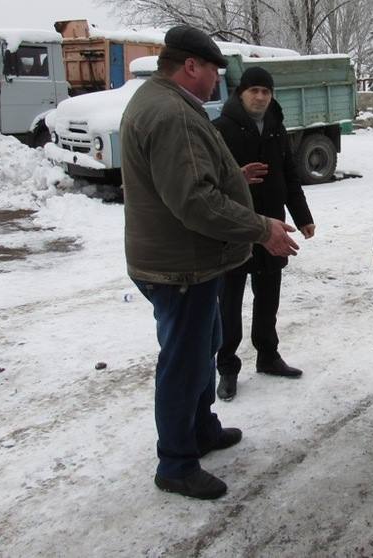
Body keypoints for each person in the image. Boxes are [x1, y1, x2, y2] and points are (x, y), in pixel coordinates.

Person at [121, 25, 299, 500]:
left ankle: (201, 429)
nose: (217, 80)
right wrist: (262, 228)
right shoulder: (172, 112)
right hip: (180, 265)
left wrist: (230, 176)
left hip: (183, 260)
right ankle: (176, 463)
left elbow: (182, 179)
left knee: (204, 345)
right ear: (191, 66)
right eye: (213, 70)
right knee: (183, 361)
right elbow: (195, 202)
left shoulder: (159, 101)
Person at [212, 66, 316, 400]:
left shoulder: (276, 129)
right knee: (229, 302)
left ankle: (268, 356)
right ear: (240, 93)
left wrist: (302, 216)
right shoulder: (220, 130)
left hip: (274, 226)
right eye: (254, 90)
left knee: (268, 296)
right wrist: (236, 177)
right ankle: (227, 367)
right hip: (234, 229)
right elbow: (207, 182)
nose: (260, 97)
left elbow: (289, 175)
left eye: (266, 91)